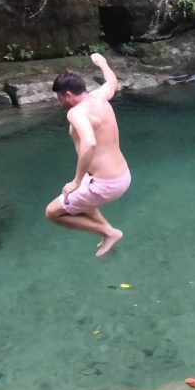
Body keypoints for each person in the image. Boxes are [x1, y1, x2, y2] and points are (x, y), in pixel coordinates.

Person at [45, 53, 131, 256]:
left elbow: (89, 143)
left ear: (68, 95)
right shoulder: (100, 97)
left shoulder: (76, 113)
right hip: (121, 176)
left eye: (59, 98)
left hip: (104, 184)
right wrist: (103, 63)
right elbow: (111, 81)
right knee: (80, 200)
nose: (59, 103)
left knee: (52, 213)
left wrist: (76, 180)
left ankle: (109, 232)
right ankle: (108, 231)